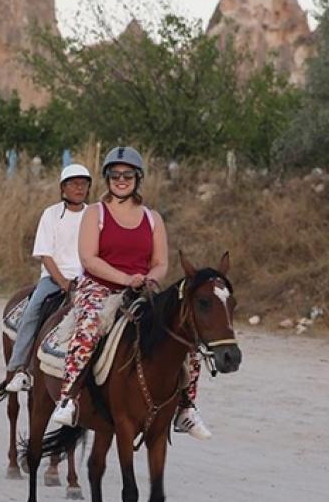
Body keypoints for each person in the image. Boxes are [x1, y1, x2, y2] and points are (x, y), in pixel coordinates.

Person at [49, 146, 210, 439]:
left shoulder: (152, 219)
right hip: (100, 286)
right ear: (107, 178)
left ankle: (186, 407)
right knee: (88, 328)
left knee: (187, 338)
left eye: (127, 175)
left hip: (142, 288)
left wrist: (149, 278)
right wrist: (124, 278)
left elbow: (161, 262)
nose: (121, 180)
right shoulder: (95, 213)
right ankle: (69, 397)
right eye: (114, 175)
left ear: (138, 178)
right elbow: (89, 259)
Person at [4, 163, 92, 392]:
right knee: (33, 310)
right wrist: (63, 283)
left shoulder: (93, 215)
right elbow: (45, 254)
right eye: (74, 184)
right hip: (54, 279)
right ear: (63, 188)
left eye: (83, 184)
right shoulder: (51, 214)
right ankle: (21, 368)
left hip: (88, 279)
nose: (79, 188)